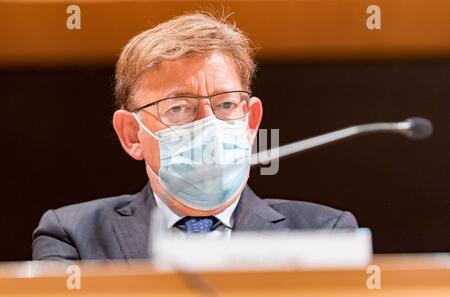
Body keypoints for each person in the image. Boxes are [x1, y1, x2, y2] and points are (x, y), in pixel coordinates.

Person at [32, 12, 358, 261]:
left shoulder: (326, 233)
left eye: (227, 104)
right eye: (178, 109)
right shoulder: (73, 235)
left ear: (250, 121)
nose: (209, 125)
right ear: (131, 133)